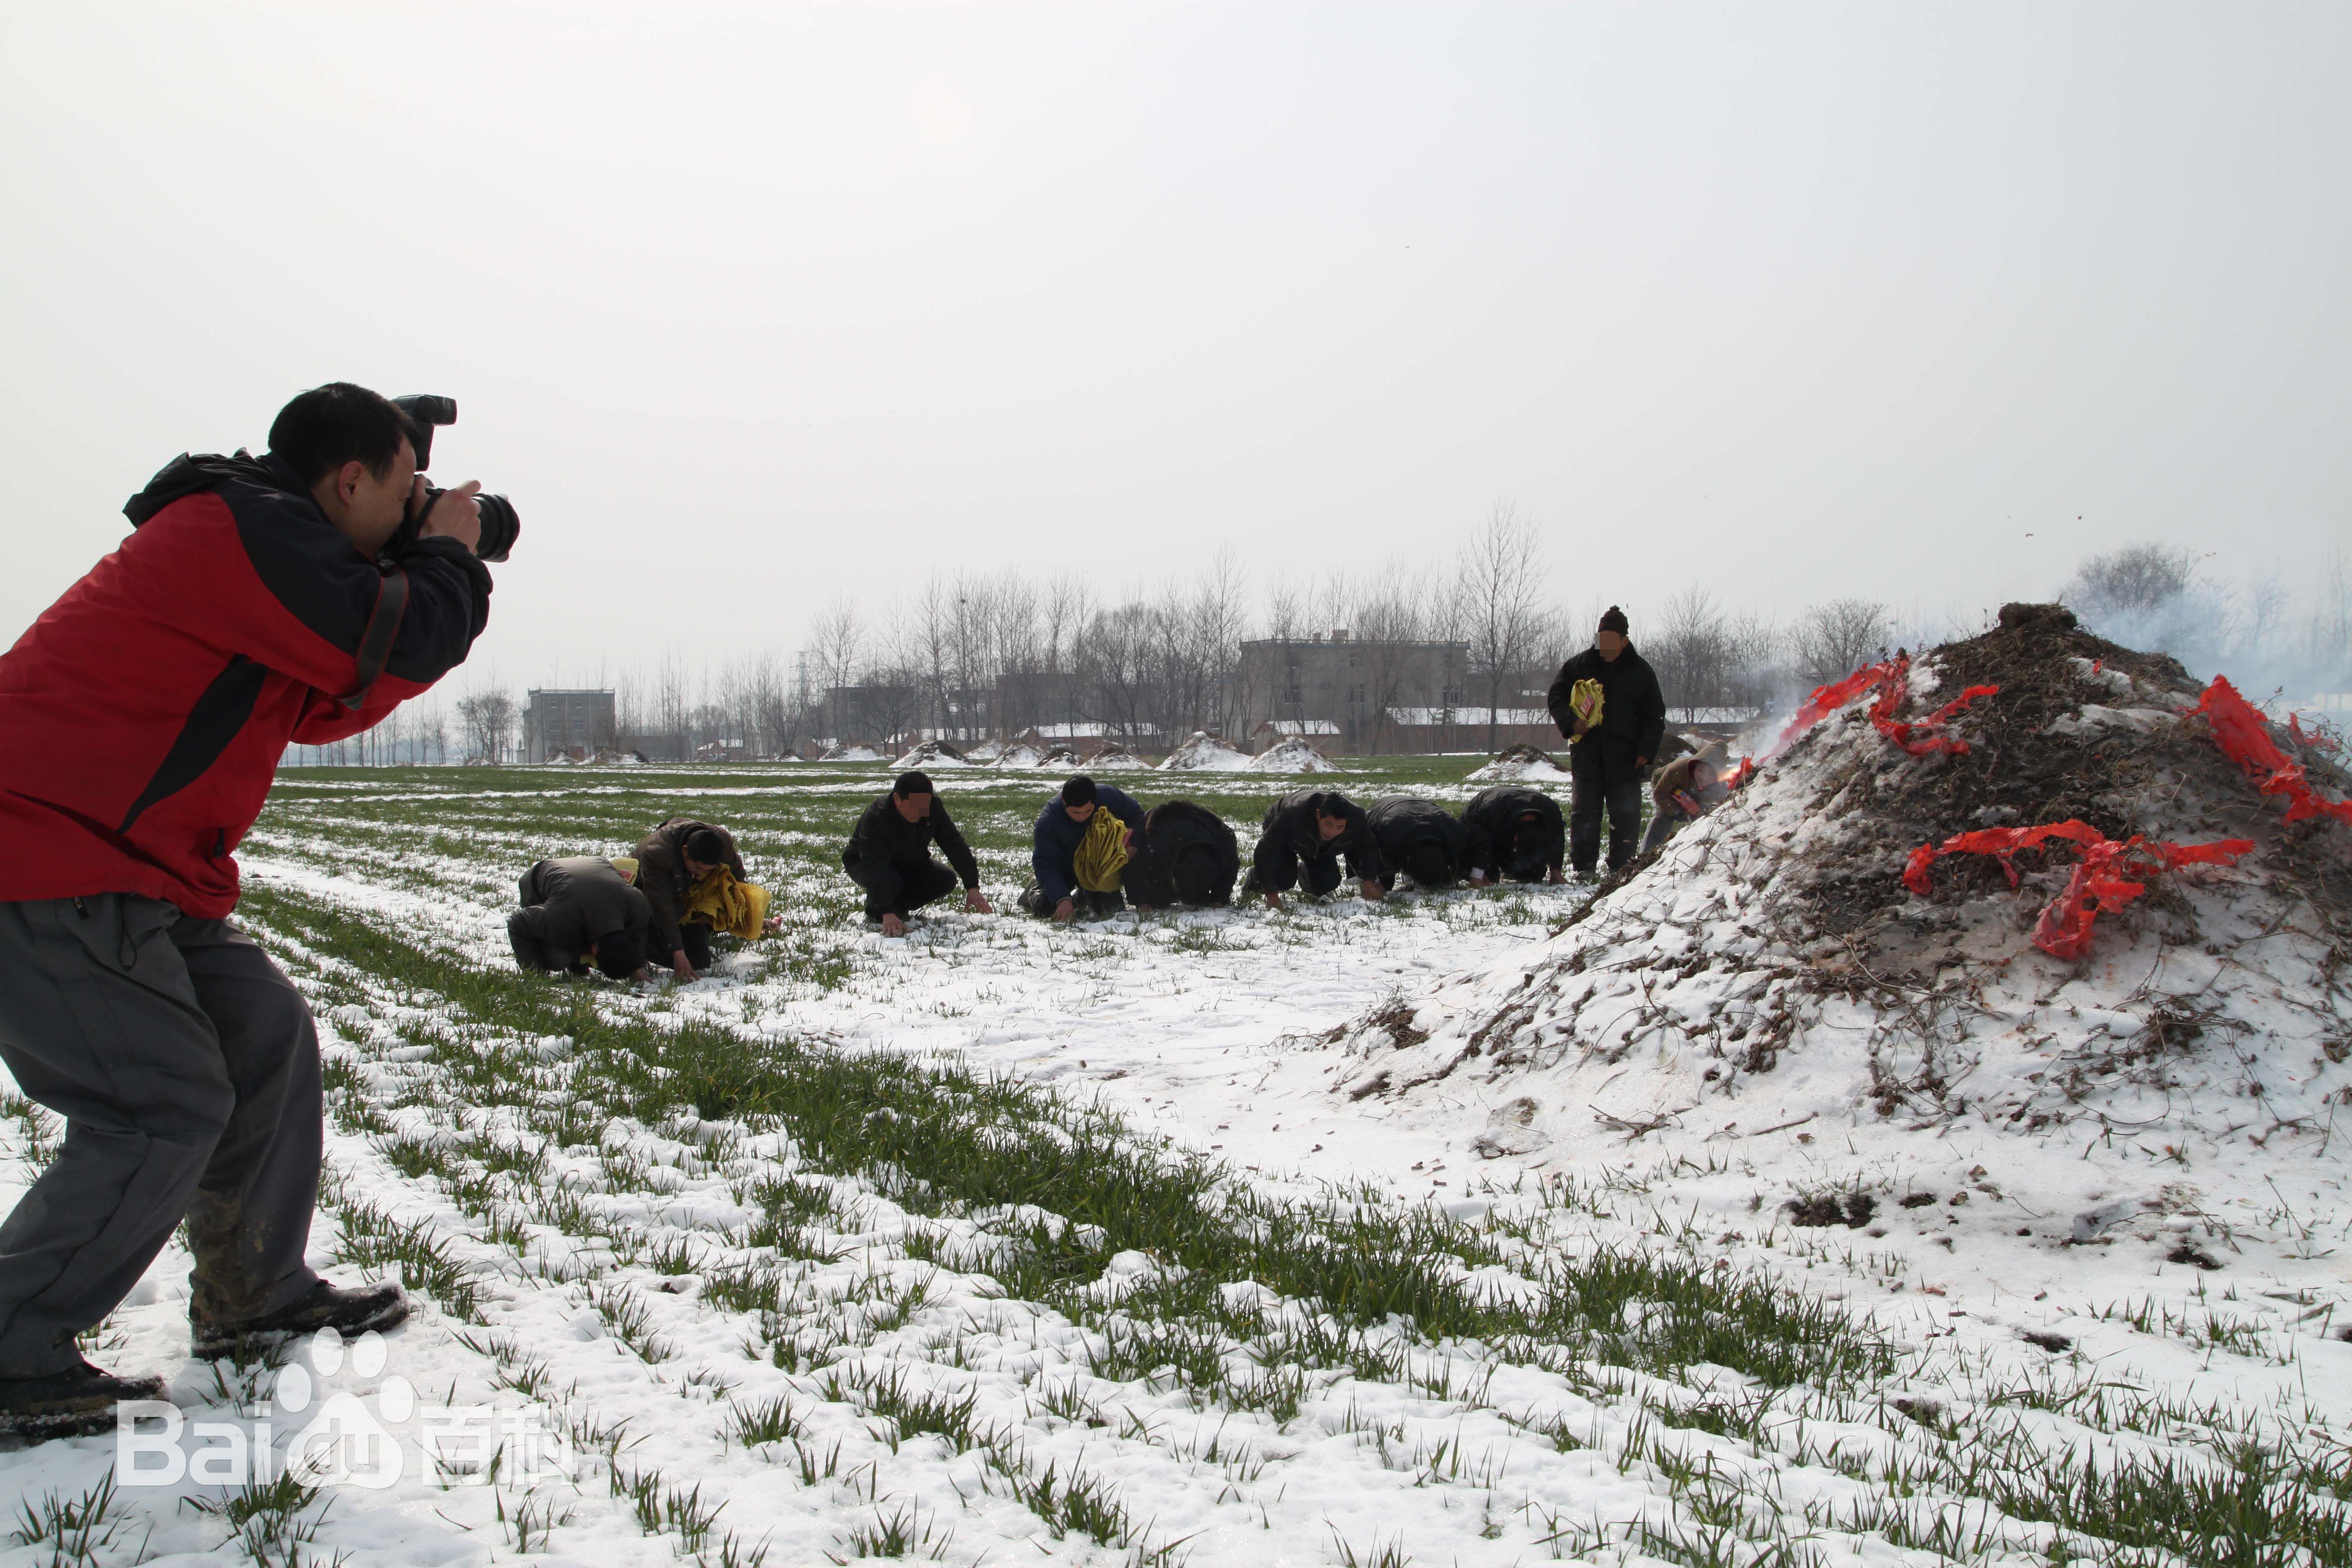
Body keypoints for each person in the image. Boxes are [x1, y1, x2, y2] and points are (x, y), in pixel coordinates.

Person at [0, 382, 496, 1437]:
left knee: (265, 1036)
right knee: (159, 1104)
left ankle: (251, 1295)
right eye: (407, 487)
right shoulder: (239, 531)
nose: (419, 504)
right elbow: (398, 635)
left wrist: (420, 558)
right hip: (40, 855)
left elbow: (332, 697)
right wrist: (446, 556)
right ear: (349, 482)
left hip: (136, 869)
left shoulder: (274, 547)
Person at [1546, 605, 1666, 876]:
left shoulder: (1641, 672)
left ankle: (1621, 868)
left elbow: (1654, 716)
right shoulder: (1578, 666)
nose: (1607, 645)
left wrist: (1646, 751)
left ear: (1625, 640)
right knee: (1584, 814)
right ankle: (1583, 867)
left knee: (1626, 816)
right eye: (1603, 638)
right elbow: (1555, 697)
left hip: (1627, 759)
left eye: (1614, 639)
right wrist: (1571, 722)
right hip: (1587, 755)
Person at [842, 771, 993, 935]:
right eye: (914, 807)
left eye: (924, 806)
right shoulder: (879, 815)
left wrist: (972, 886)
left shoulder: (933, 808)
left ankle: (899, 907)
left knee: (946, 879)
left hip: (911, 861)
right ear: (897, 798)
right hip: (865, 863)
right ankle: (877, 911)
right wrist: (887, 912)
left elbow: (954, 844)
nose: (920, 813)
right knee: (890, 880)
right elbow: (875, 863)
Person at [634, 818, 780, 981]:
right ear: (684, 851)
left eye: (706, 871)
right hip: (648, 898)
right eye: (698, 868)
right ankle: (637, 946)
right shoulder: (657, 853)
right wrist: (677, 951)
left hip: (684, 893)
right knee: (687, 956)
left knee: (698, 959)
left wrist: (752, 917)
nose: (701, 875)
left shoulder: (722, 841)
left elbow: (737, 882)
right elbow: (661, 906)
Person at [1021, 775, 1151, 922]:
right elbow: (1045, 862)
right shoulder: (1049, 821)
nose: (1082, 817)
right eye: (1076, 813)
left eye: (1088, 811)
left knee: (1112, 909)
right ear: (1064, 802)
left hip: (1099, 870)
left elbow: (1136, 815)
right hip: (1067, 869)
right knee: (1047, 908)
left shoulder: (1109, 796)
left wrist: (1133, 843)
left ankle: (1084, 894)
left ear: (1095, 800)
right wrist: (1062, 899)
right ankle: (1035, 887)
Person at [509, 857, 654, 979]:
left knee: (575, 938)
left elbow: (639, 937)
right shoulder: (559, 919)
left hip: (594, 866)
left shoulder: (638, 907)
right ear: (594, 951)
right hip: (536, 881)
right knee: (558, 959)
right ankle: (573, 960)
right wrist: (535, 973)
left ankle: (576, 961)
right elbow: (517, 922)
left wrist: (637, 967)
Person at [1241, 789, 1387, 907]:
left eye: (1340, 827)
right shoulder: (1293, 813)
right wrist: (1271, 894)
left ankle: (1304, 872)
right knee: (1284, 880)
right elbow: (1264, 850)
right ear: (1319, 815)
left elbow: (1368, 847)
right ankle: (1254, 876)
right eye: (1329, 825)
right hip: (1286, 831)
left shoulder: (1356, 816)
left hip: (1318, 846)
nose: (1332, 832)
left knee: (1328, 882)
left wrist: (1369, 881)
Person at [1121, 801, 1242, 909]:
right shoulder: (1153, 837)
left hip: (1194, 852)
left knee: (1182, 892)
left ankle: (1192, 892)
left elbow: (1230, 867)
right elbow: (1133, 865)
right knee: (1158, 901)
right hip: (1164, 838)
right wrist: (1142, 902)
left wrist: (1219, 899)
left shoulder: (1222, 835)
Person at [1364, 795, 1479, 893]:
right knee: (1385, 884)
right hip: (1384, 808)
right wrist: (1372, 880)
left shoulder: (1455, 833)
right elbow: (1364, 847)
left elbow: (1478, 844)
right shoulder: (1388, 834)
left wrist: (1475, 874)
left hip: (1422, 810)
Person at [1462, 785, 1569, 884]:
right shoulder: (1490, 812)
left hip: (1512, 810)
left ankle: (1511, 865)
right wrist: (1478, 874)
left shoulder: (1551, 812)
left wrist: (1556, 871)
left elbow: (1558, 838)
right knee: (1490, 877)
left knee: (1533, 875)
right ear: (1515, 836)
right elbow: (1480, 840)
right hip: (1478, 819)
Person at [1641, 742, 1730, 855]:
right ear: (1696, 765)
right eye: (1701, 770)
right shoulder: (1677, 769)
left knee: (1700, 819)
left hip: (1692, 793)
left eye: (1711, 775)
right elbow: (1660, 794)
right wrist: (1677, 812)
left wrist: (1694, 812)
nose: (1703, 777)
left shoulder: (1718, 785)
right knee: (1663, 818)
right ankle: (1646, 854)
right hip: (1666, 789)